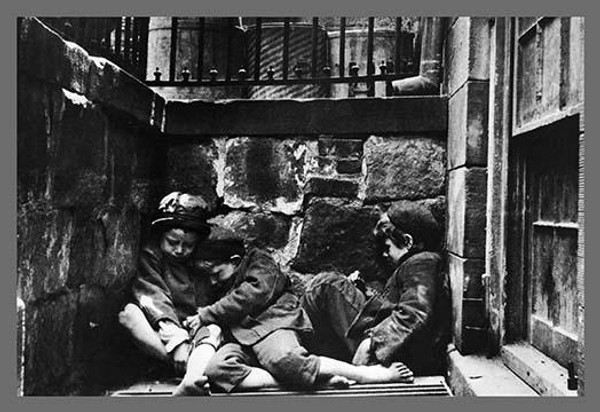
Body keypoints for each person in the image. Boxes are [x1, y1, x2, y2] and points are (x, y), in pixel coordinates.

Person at [183, 227, 414, 394]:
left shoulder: (259, 263)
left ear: (235, 261)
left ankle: (367, 375)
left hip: (270, 325)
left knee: (286, 360)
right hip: (242, 338)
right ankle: (316, 381)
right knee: (216, 370)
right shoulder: (218, 283)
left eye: (217, 274)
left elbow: (253, 294)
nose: (213, 282)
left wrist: (207, 313)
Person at [301, 201, 451, 376]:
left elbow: (415, 313)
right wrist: (364, 291)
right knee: (329, 286)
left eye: (387, 247)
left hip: (395, 352)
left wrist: (373, 341)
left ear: (408, 242)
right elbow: (396, 305)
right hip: (392, 343)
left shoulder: (422, 262)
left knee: (325, 285)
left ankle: (300, 360)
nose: (384, 254)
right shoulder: (419, 264)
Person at [117, 192, 223, 396]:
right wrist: (177, 343)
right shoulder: (152, 257)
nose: (180, 250)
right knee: (129, 314)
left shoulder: (201, 262)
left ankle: (194, 370)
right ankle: (181, 365)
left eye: (188, 245)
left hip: (195, 330)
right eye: (172, 242)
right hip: (164, 331)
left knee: (215, 329)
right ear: (161, 237)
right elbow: (154, 297)